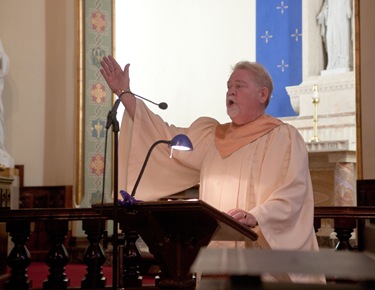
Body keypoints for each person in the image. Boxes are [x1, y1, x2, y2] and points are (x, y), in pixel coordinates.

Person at [100, 55, 325, 284]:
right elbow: (163, 137)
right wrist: (125, 94)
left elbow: (293, 192)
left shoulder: (282, 137)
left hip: (258, 258)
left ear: (263, 94)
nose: (231, 92)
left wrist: (257, 216)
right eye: (229, 87)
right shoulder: (213, 136)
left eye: (239, 86)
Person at [317, 0, 353, 72]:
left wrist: (348, 7)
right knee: (330, 38)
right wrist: (322, 13)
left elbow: (349, 13)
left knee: (341, 40)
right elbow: (326, 4)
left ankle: (343, 63)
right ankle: (332, 63)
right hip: (332, 19)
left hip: (342, 19)